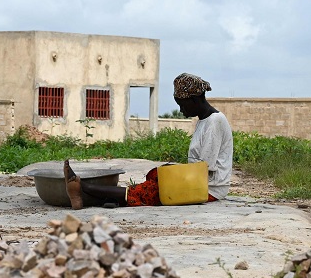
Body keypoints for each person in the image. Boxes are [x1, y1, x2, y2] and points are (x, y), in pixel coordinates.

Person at [65, 72, 233, 209]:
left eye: (182, 105)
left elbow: (203, 169)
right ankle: (99, 198)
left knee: (151, 191)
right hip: (199, 181)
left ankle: (83, 187)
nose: (181, 110)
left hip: (209, 189)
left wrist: (175, 173)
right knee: (155, 175)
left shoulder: (214, 122)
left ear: (195, 100)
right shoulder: (204, 121)